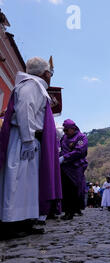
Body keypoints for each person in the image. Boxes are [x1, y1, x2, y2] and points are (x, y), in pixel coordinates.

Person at [0, 57, 62, 238]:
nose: (50, 76)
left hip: (27, 138)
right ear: (44, 73)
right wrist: (27, 140)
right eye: (50, 72)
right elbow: (24, 109)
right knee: (18, 180)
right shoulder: (32, 85)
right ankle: (12, 222)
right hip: (23, 138)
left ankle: (26, 219)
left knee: (28, 183)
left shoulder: (33, 86)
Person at [59, 119, 88, 220]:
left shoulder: (81, 137)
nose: (65, 132)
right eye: (64, 130)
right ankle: (67, 211)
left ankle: (73, 210)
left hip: (76, 167)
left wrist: (65, 157)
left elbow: (79, 151)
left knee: (74, 189)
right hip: (64, 167)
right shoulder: (64, 138)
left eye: (67, 130)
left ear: (73, 128)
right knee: (65, 190)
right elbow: (60, 148)